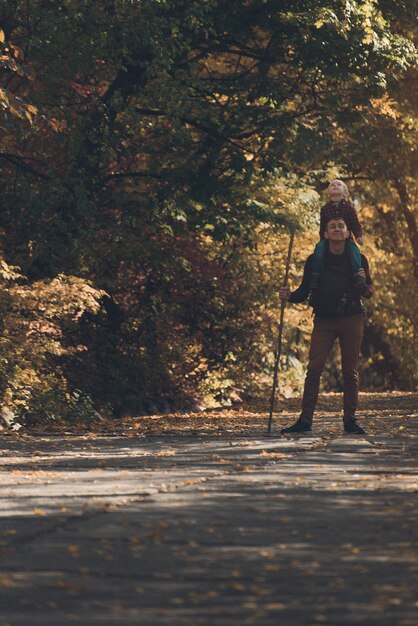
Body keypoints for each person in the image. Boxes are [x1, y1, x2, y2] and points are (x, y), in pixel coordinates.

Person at [279, 216, 374, 435]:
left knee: (350, 371)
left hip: (352, 317)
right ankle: (305, 421)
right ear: (326, 234)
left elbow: (368, 293)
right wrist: (289, 295)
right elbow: (304, 291)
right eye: (333, 227)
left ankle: (350, 421)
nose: (338, 229)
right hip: (324, 318)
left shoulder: (359, 258)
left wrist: (362, 281)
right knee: (314, 368)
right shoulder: (315, 260)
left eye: (341, 226)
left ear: (348, 232)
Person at [310, 180, 364, 294]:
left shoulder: (349, 208)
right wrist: (322, 240)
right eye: (332, 185)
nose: (335, 185)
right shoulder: (325, 209)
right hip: (328, 239)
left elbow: (355, 223)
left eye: (339, 185)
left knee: (354, 251)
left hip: (346, 238)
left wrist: (358, 236)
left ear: (344, 193)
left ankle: (356, 275)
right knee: (319, 249)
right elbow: (323, 226)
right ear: (328, 193)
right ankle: (316, 276)